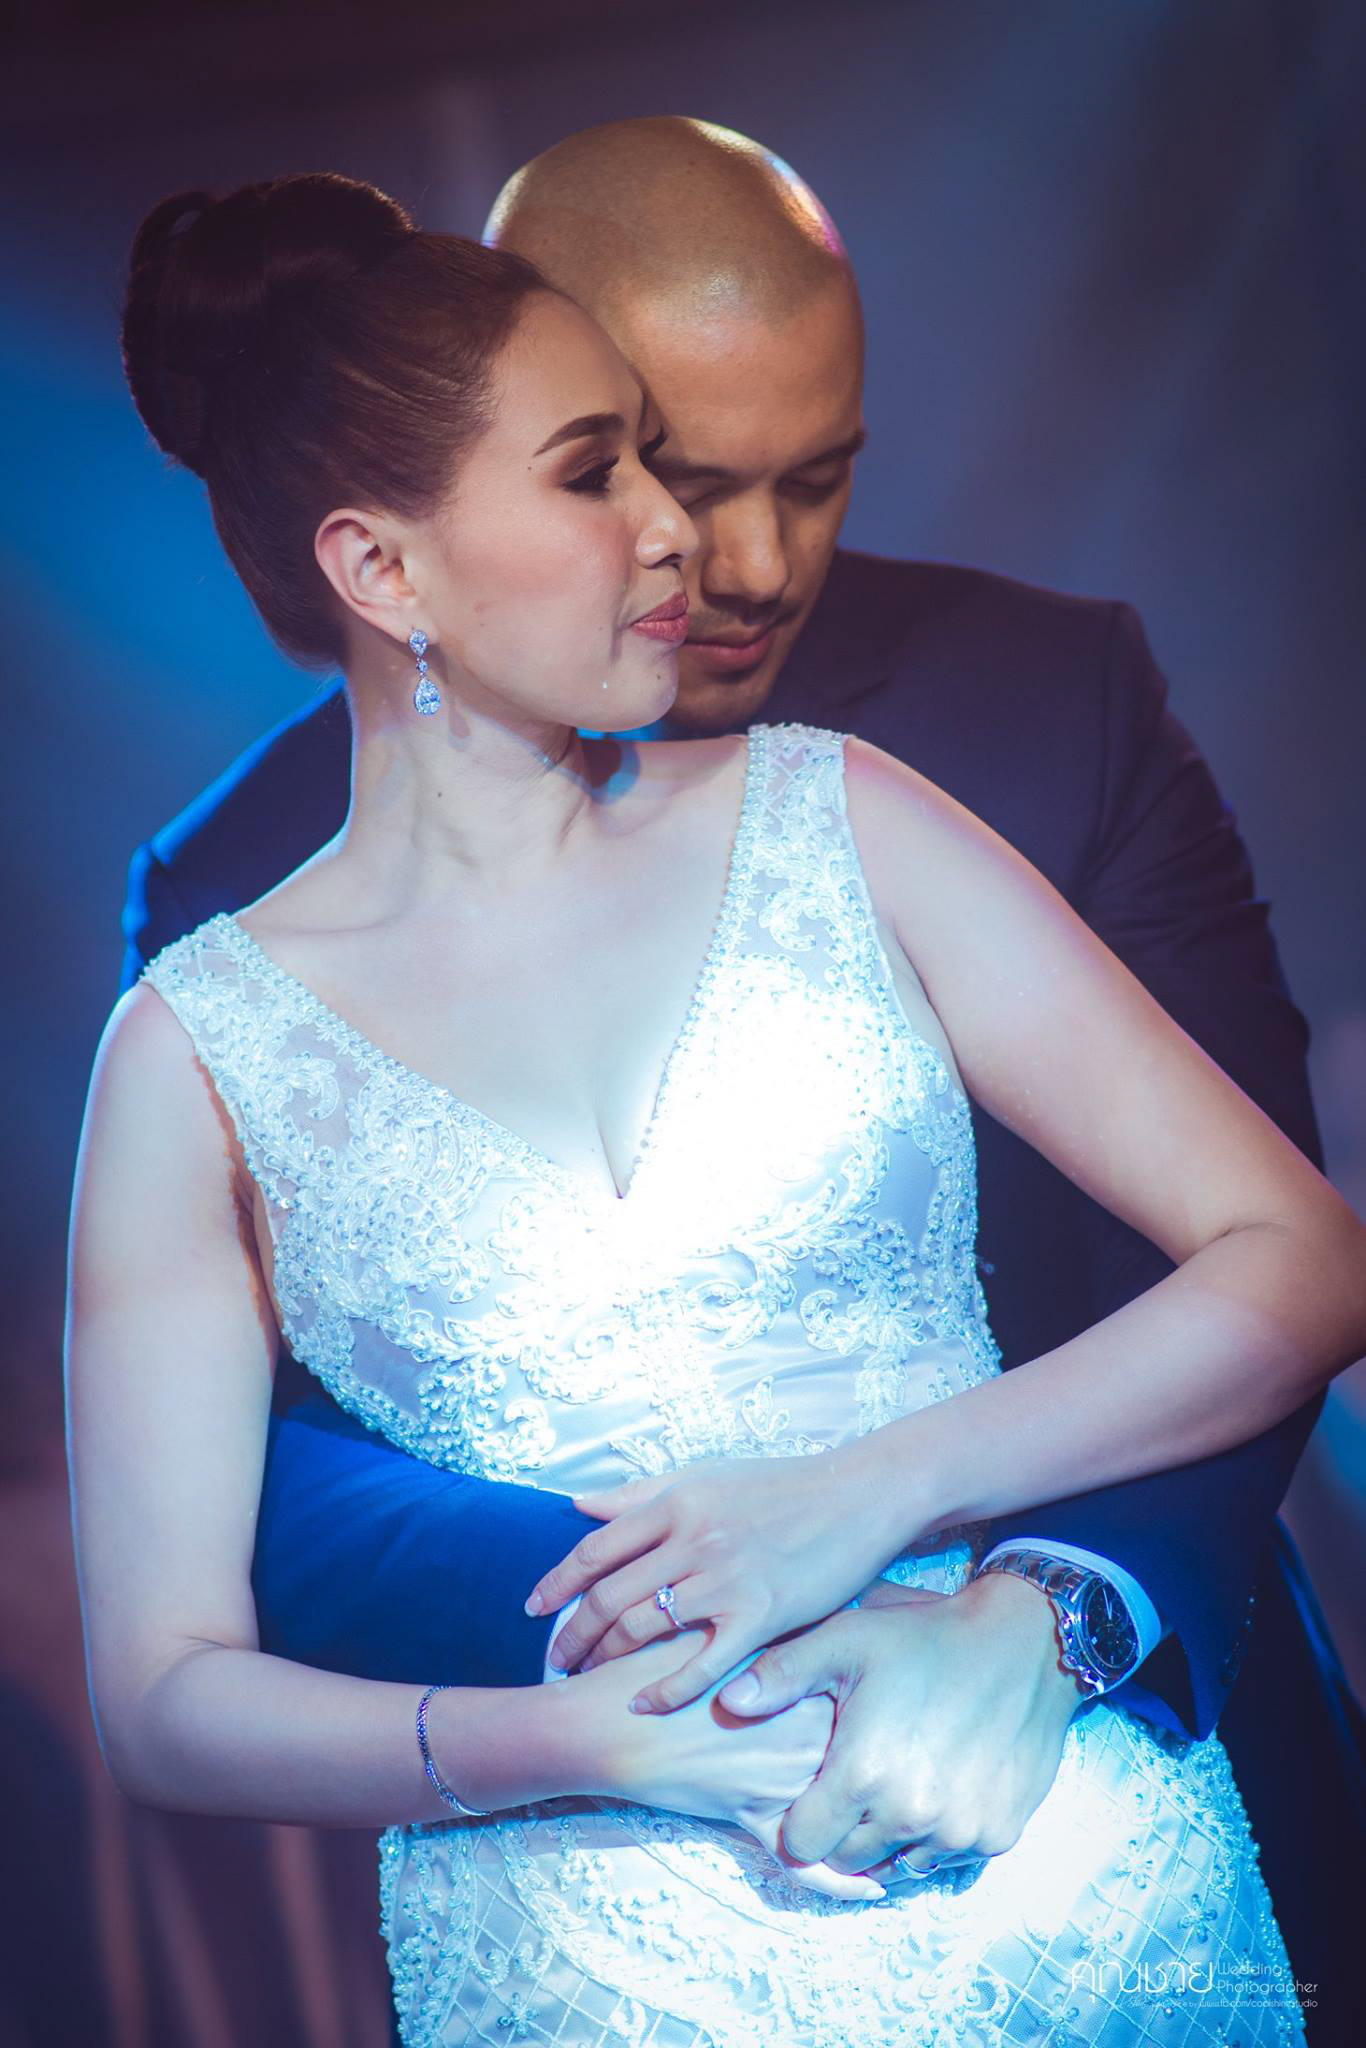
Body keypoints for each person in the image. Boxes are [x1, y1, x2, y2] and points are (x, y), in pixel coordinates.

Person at [70, 167, 1366, 2045]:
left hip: (1060, 1862)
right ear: (381, 571)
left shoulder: (841, 811)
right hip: (590, 1949)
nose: (678, 532)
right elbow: (166, 1686)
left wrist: (869, 1498)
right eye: (595, 472)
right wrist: (593, 1741)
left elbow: (1300, 1255)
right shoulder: (194, 1041)